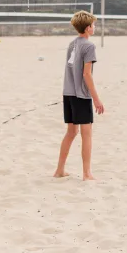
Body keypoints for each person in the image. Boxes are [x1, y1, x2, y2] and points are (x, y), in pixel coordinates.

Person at [54, 11, 105, 182]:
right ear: (88, 27)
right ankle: (87, 174)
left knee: (71, 132)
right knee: (86, 133)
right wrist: (96, 99)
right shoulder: (89, 46)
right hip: (81, 95)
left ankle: (59, 170)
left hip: (67, 93)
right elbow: (87, 74)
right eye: (93, 25)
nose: (94, 27)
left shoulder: (72, 43)